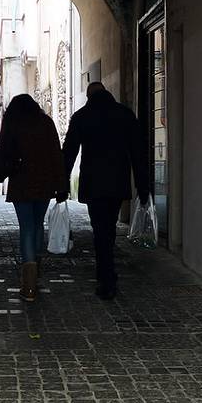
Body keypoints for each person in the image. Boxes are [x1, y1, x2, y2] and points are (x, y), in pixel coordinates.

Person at [61, 82, 149, 300]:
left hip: (94, 183)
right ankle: (107, 273)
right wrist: (143, 186)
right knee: (108, 227)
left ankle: (106, 277)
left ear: (89, 96)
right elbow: (138, 152)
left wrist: (62, 184)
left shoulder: (82, 116)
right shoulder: (125, 115)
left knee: (100, 229)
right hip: (117, 182)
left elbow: (69, 152)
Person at [0, 94, 66, 302]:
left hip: (21, 182)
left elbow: (3, 151)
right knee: (38, 225)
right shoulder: (46, 123)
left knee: (27, 228)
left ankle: (29, 285)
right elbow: (56, 154)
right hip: (44, 183)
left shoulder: (12, 123)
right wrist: (61, 184)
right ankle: (36, 270)